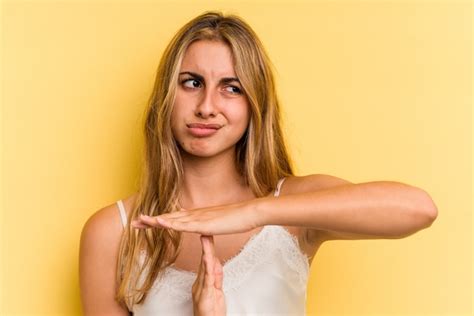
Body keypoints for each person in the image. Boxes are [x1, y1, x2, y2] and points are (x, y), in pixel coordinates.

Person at [79, 10, 438, 316]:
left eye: (231, 88)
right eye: (191, 83)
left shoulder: (291, 208)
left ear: (255, 104)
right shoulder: (114, 233)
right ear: (166, 95)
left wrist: (254, 212)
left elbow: (418, 208)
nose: (207, 106)